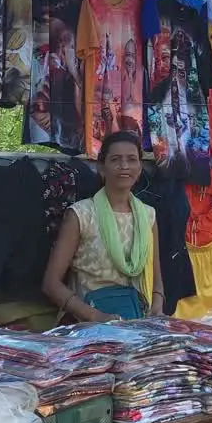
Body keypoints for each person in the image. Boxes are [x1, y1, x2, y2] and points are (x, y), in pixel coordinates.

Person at [42, 131, 164, 322]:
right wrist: (95, 316)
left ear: (140, 168)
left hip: (136, 322)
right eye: (115, 159)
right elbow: (51, 284)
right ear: (101, 167)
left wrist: (157, 305)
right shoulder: (81, 215)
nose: (124, 166)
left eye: (132, 159)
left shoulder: (148, 216)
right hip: (87, 323)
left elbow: (156, 279)